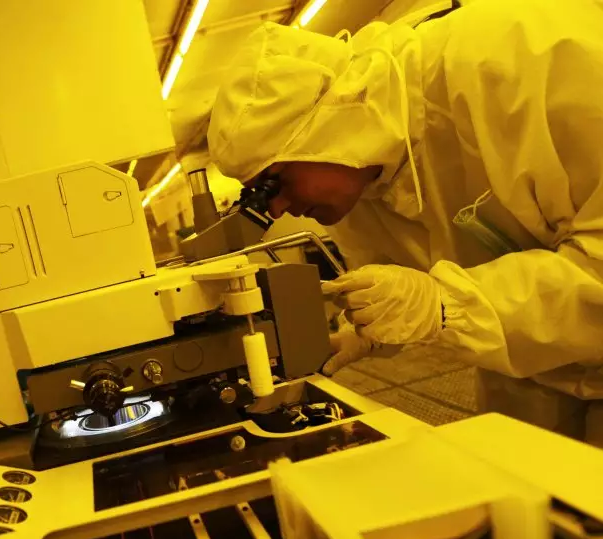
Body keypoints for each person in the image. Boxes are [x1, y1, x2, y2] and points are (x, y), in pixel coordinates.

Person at [207, 0, 603, 447]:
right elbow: (409, 284)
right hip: (531, 373)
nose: (276, 210)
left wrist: (444, 304)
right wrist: (370, 332)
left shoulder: (524, 60)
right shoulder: (358, 179)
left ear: (320, 130)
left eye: (274, 183)